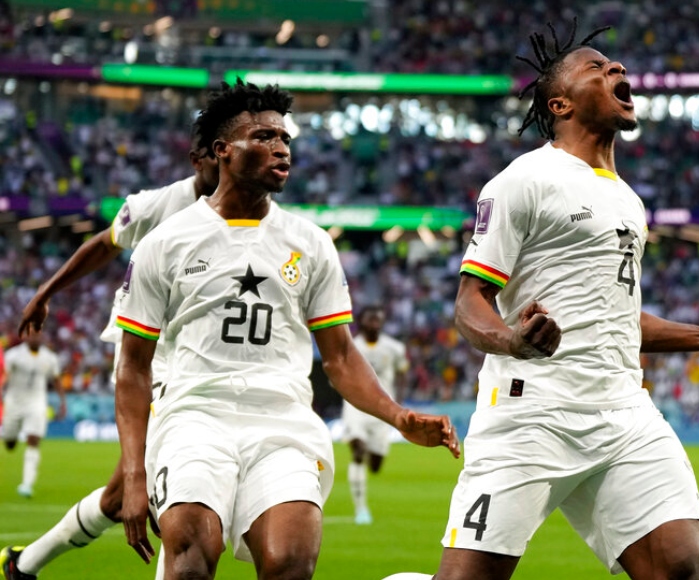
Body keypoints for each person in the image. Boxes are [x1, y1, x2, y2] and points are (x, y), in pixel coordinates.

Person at [400, 22, 699, 580]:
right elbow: (470, 303)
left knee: (680, 564)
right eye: (597, 67)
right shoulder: (524, 180)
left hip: (622, 411)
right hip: (533, 412)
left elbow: (616, 319)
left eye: (616, 64)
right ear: (560, 102)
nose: (616, 69)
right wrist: (513, 340)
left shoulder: (629, 200)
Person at [113, 80, 459, 579]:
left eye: (285, 138)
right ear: (222, 151)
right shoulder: (166, 242)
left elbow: (339, 359)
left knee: (290, 564)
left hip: (284, 423)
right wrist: (133, 471)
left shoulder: (311, 243)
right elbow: (133, 366)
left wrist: (397, 416)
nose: (281, 146)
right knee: (190, 564)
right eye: (264, 136)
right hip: (193, 418)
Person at [2, 129, 219, 580]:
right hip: (151, 359)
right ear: (201, 159)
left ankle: (22, 565)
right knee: (177, 497)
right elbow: (103, 244)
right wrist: (47, 291)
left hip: (198, 360)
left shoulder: (246, 216)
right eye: (222, 157)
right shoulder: (154, 206)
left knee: (118, 499)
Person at [341, 305, 409, 525]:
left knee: (376, 464)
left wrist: (399, 402)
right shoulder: (350, 347)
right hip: (356, 406)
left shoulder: (394, 348)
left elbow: (401, 373)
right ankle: (361, 510)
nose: (374, 324)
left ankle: (370, 456)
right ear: (361, 322)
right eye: (370, 320)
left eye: (378, 320)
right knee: (358, 452)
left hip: (382, 409)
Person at [1, 329, 62, 498]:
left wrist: (62, 403)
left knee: (33, 439)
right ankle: (9, 438)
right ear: (25, 337)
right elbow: (4, 376)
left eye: (38, 334)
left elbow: (56, 380)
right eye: (32, 334)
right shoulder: (13, 355)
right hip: (14, 402)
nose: (35, 338)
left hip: (36, 403)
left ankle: (27, 484)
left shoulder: (49, 357)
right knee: (10, 443)